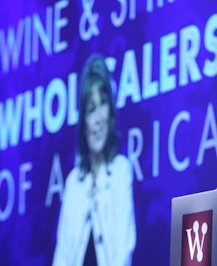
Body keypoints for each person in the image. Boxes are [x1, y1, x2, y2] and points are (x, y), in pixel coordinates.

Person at [53, 54, 136, 266]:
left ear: (111, 112)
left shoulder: (120, 171)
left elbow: (123, 253)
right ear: (83, 121)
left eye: (104, 104)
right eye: (91, 109)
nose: (98, 117)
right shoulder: (74, 183)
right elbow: (61, 257)